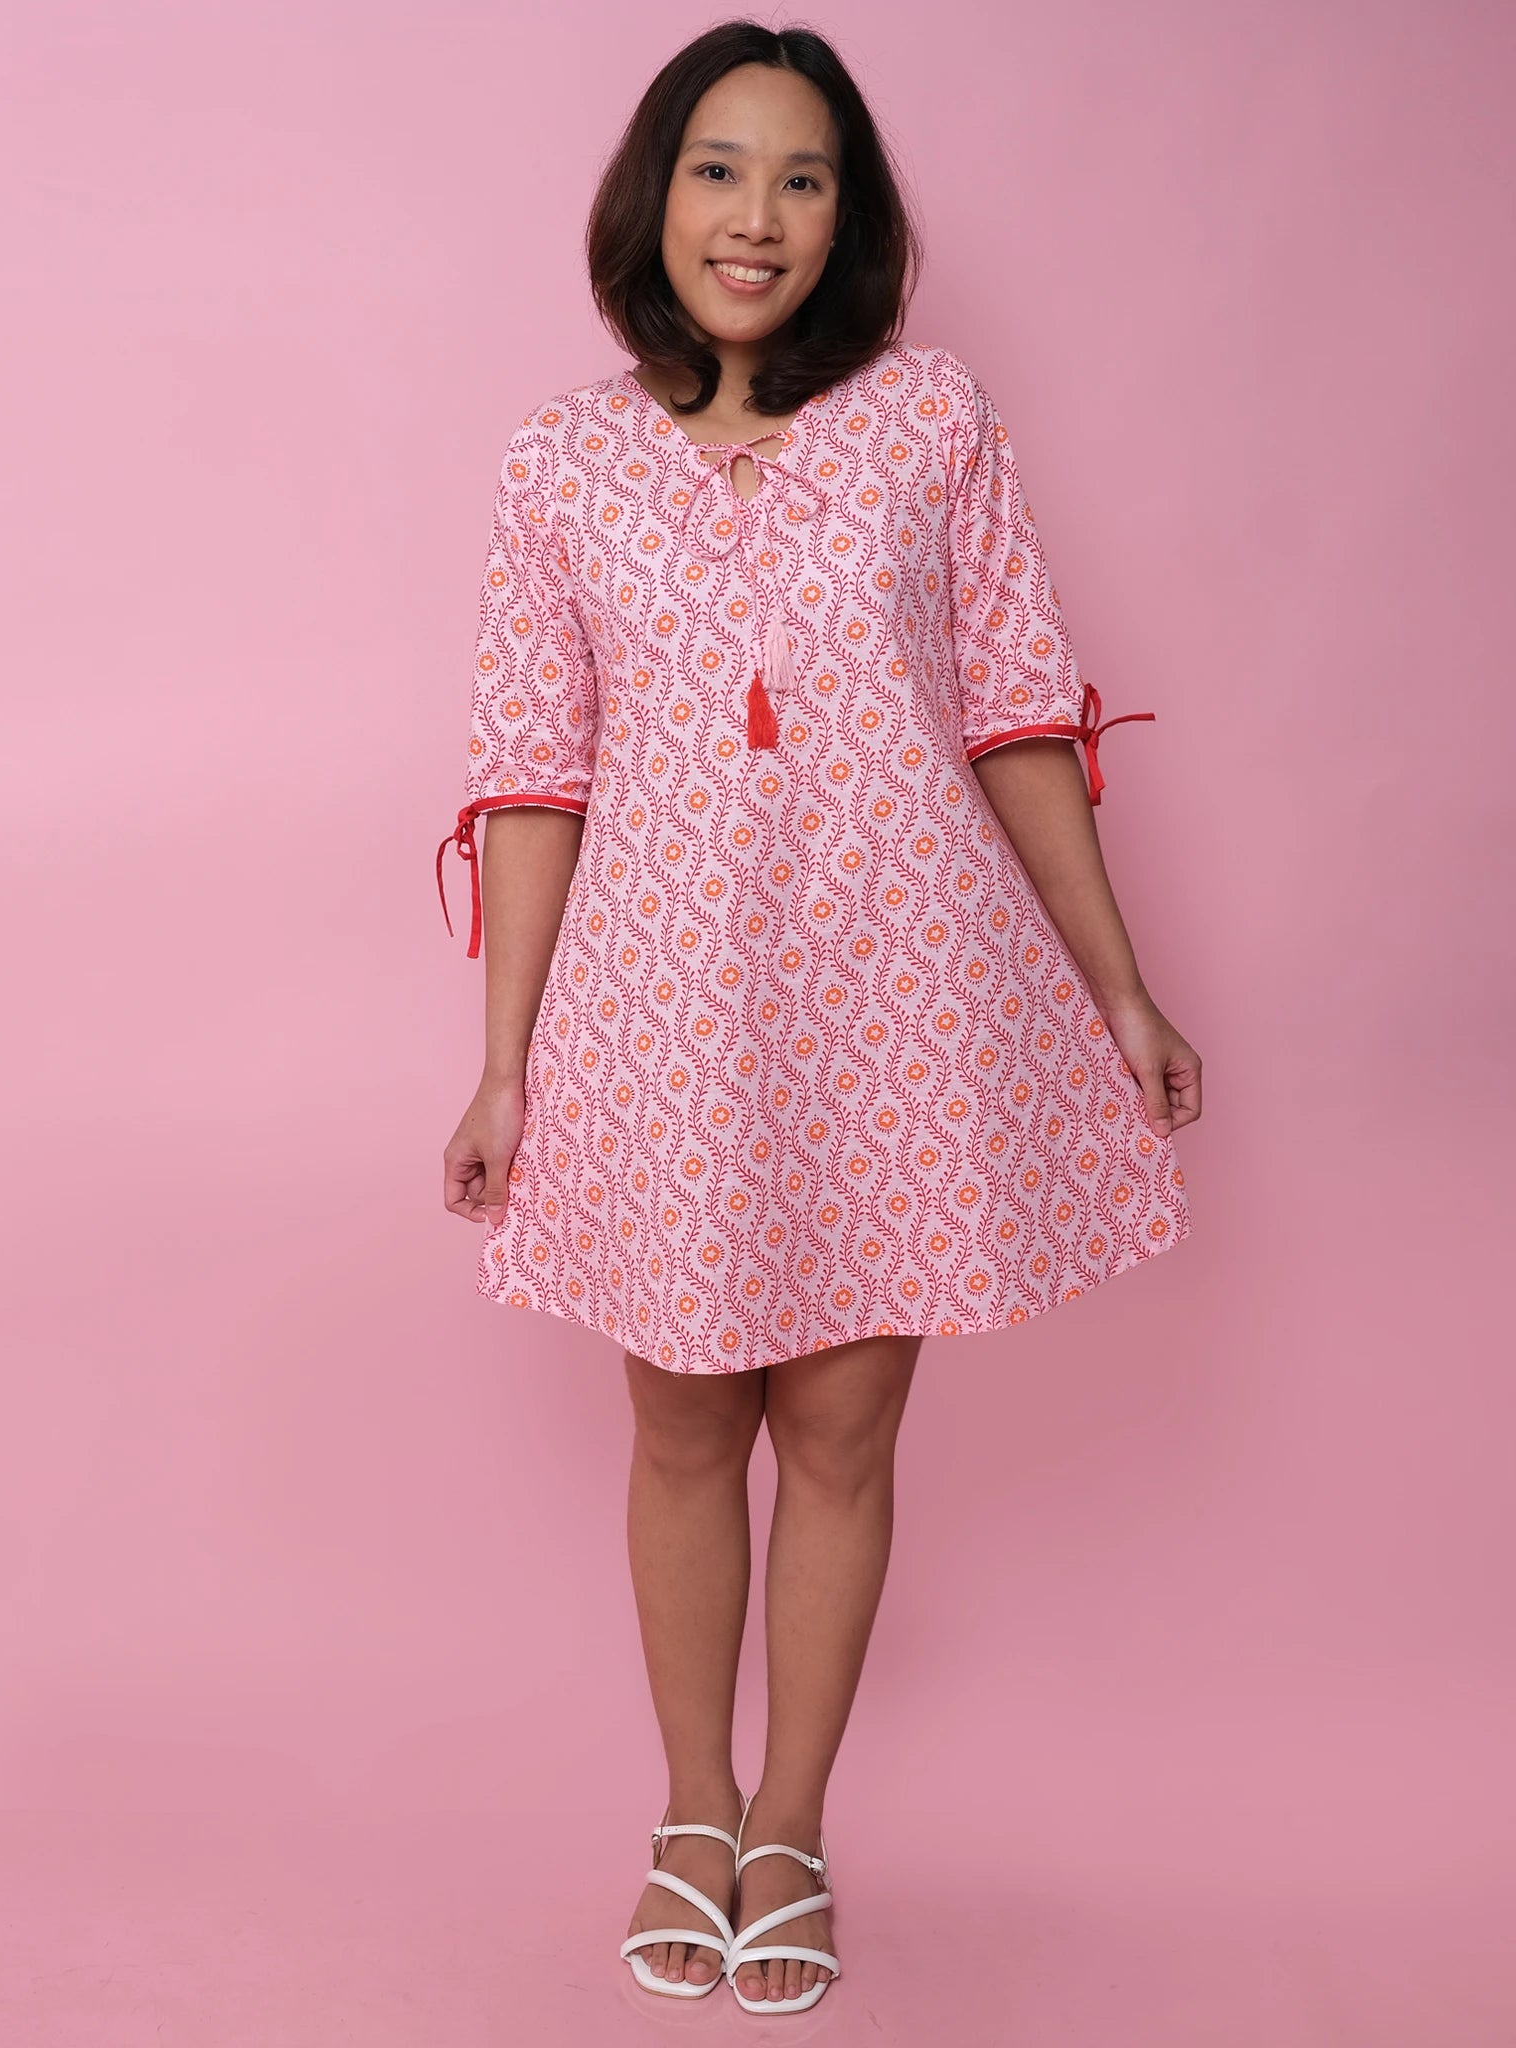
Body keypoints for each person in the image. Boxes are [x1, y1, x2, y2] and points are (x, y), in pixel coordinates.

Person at [438, 19, 1201, 2015]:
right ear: (653, 196)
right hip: (660, 1015)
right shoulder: (561, 459)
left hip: (898, 998)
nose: (756, 216)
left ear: (846, 214)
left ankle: (792, 1821)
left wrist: (1121, 987)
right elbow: (535, 773)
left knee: (843, 1434)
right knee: (682, 1423)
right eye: (717, 168)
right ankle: (692, 1811)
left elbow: (1022, 709)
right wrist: (509, 1060)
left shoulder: (930, 420)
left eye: (801, 176)